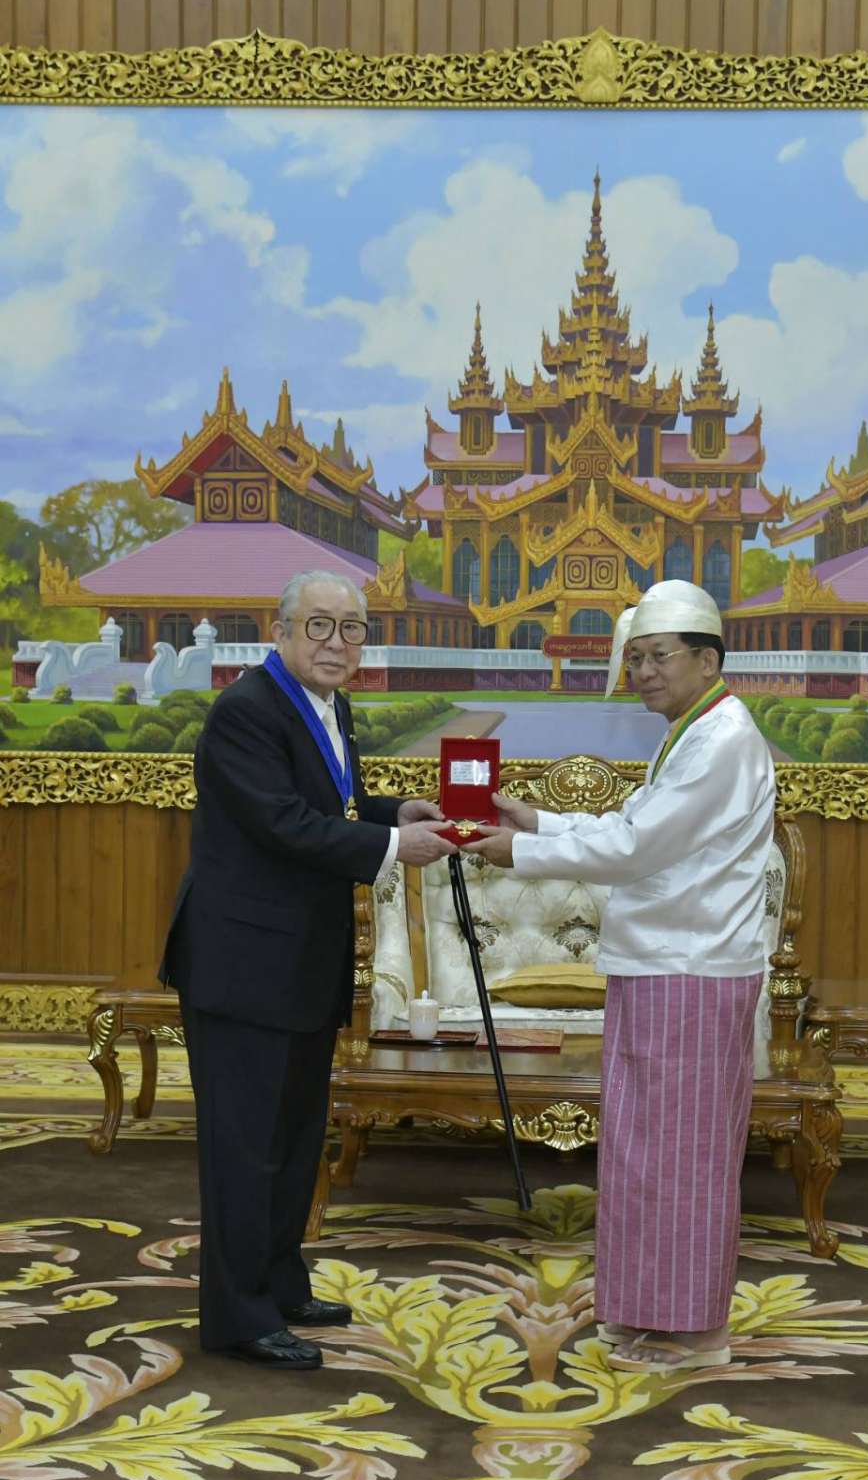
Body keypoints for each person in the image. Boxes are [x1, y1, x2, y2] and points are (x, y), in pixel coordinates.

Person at [472, 579, 774, 1374]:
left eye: (658, 656)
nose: (642, 672)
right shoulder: (692, 732)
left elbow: (638, 849)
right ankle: (651, 1315)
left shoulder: (721, 739)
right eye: (634, 657)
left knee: (684, 1157)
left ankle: (696, 1333)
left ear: (708, 660)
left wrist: (521, 853)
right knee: (647, 1151)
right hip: (662, 964)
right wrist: (539, 821)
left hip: (691, 968)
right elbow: (634, 825)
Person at [160, 569, 454, 1369]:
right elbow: (282, 822)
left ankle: (280, 1287)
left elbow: (332, 805)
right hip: (243, 967)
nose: (336, 642)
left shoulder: (328, 705)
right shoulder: (245, 711)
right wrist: (393, 847)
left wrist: (395, 813)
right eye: (319, 625)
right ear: (281, 631)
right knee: (244, 1147)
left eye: (352, 628)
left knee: (292, 1142)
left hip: (299, 964)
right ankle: (238, 1317)